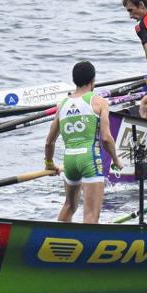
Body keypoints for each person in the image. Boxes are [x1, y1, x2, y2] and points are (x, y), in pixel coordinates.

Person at [44, 61, 123, 223]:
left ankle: (59, 240)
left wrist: (49, 164)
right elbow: (106, 138)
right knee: (91, 215)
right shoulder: (99, 102)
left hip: (69, 161)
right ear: (93, 80)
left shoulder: (62, 105)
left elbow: (49, 142)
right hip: (90, 160)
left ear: (74, 80)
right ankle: (86, 246)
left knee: (69, 206)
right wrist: (115, 159)